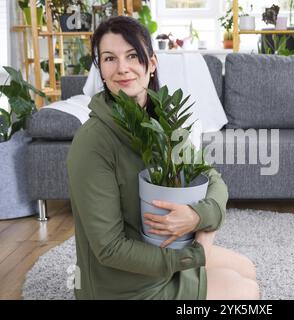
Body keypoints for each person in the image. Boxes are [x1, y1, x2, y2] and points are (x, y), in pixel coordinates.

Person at [66, 16, 259, 300]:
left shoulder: (164, 119)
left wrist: (197, 217)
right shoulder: (92, 143)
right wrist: (195, 254)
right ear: (101, 71)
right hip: (124, 284)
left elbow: (213, 180)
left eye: (132, 55)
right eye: (109, 58)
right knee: (246, 291)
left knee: (247, 269)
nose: (122, 68)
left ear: (152, 63)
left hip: (164, 254)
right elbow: (109, 248)